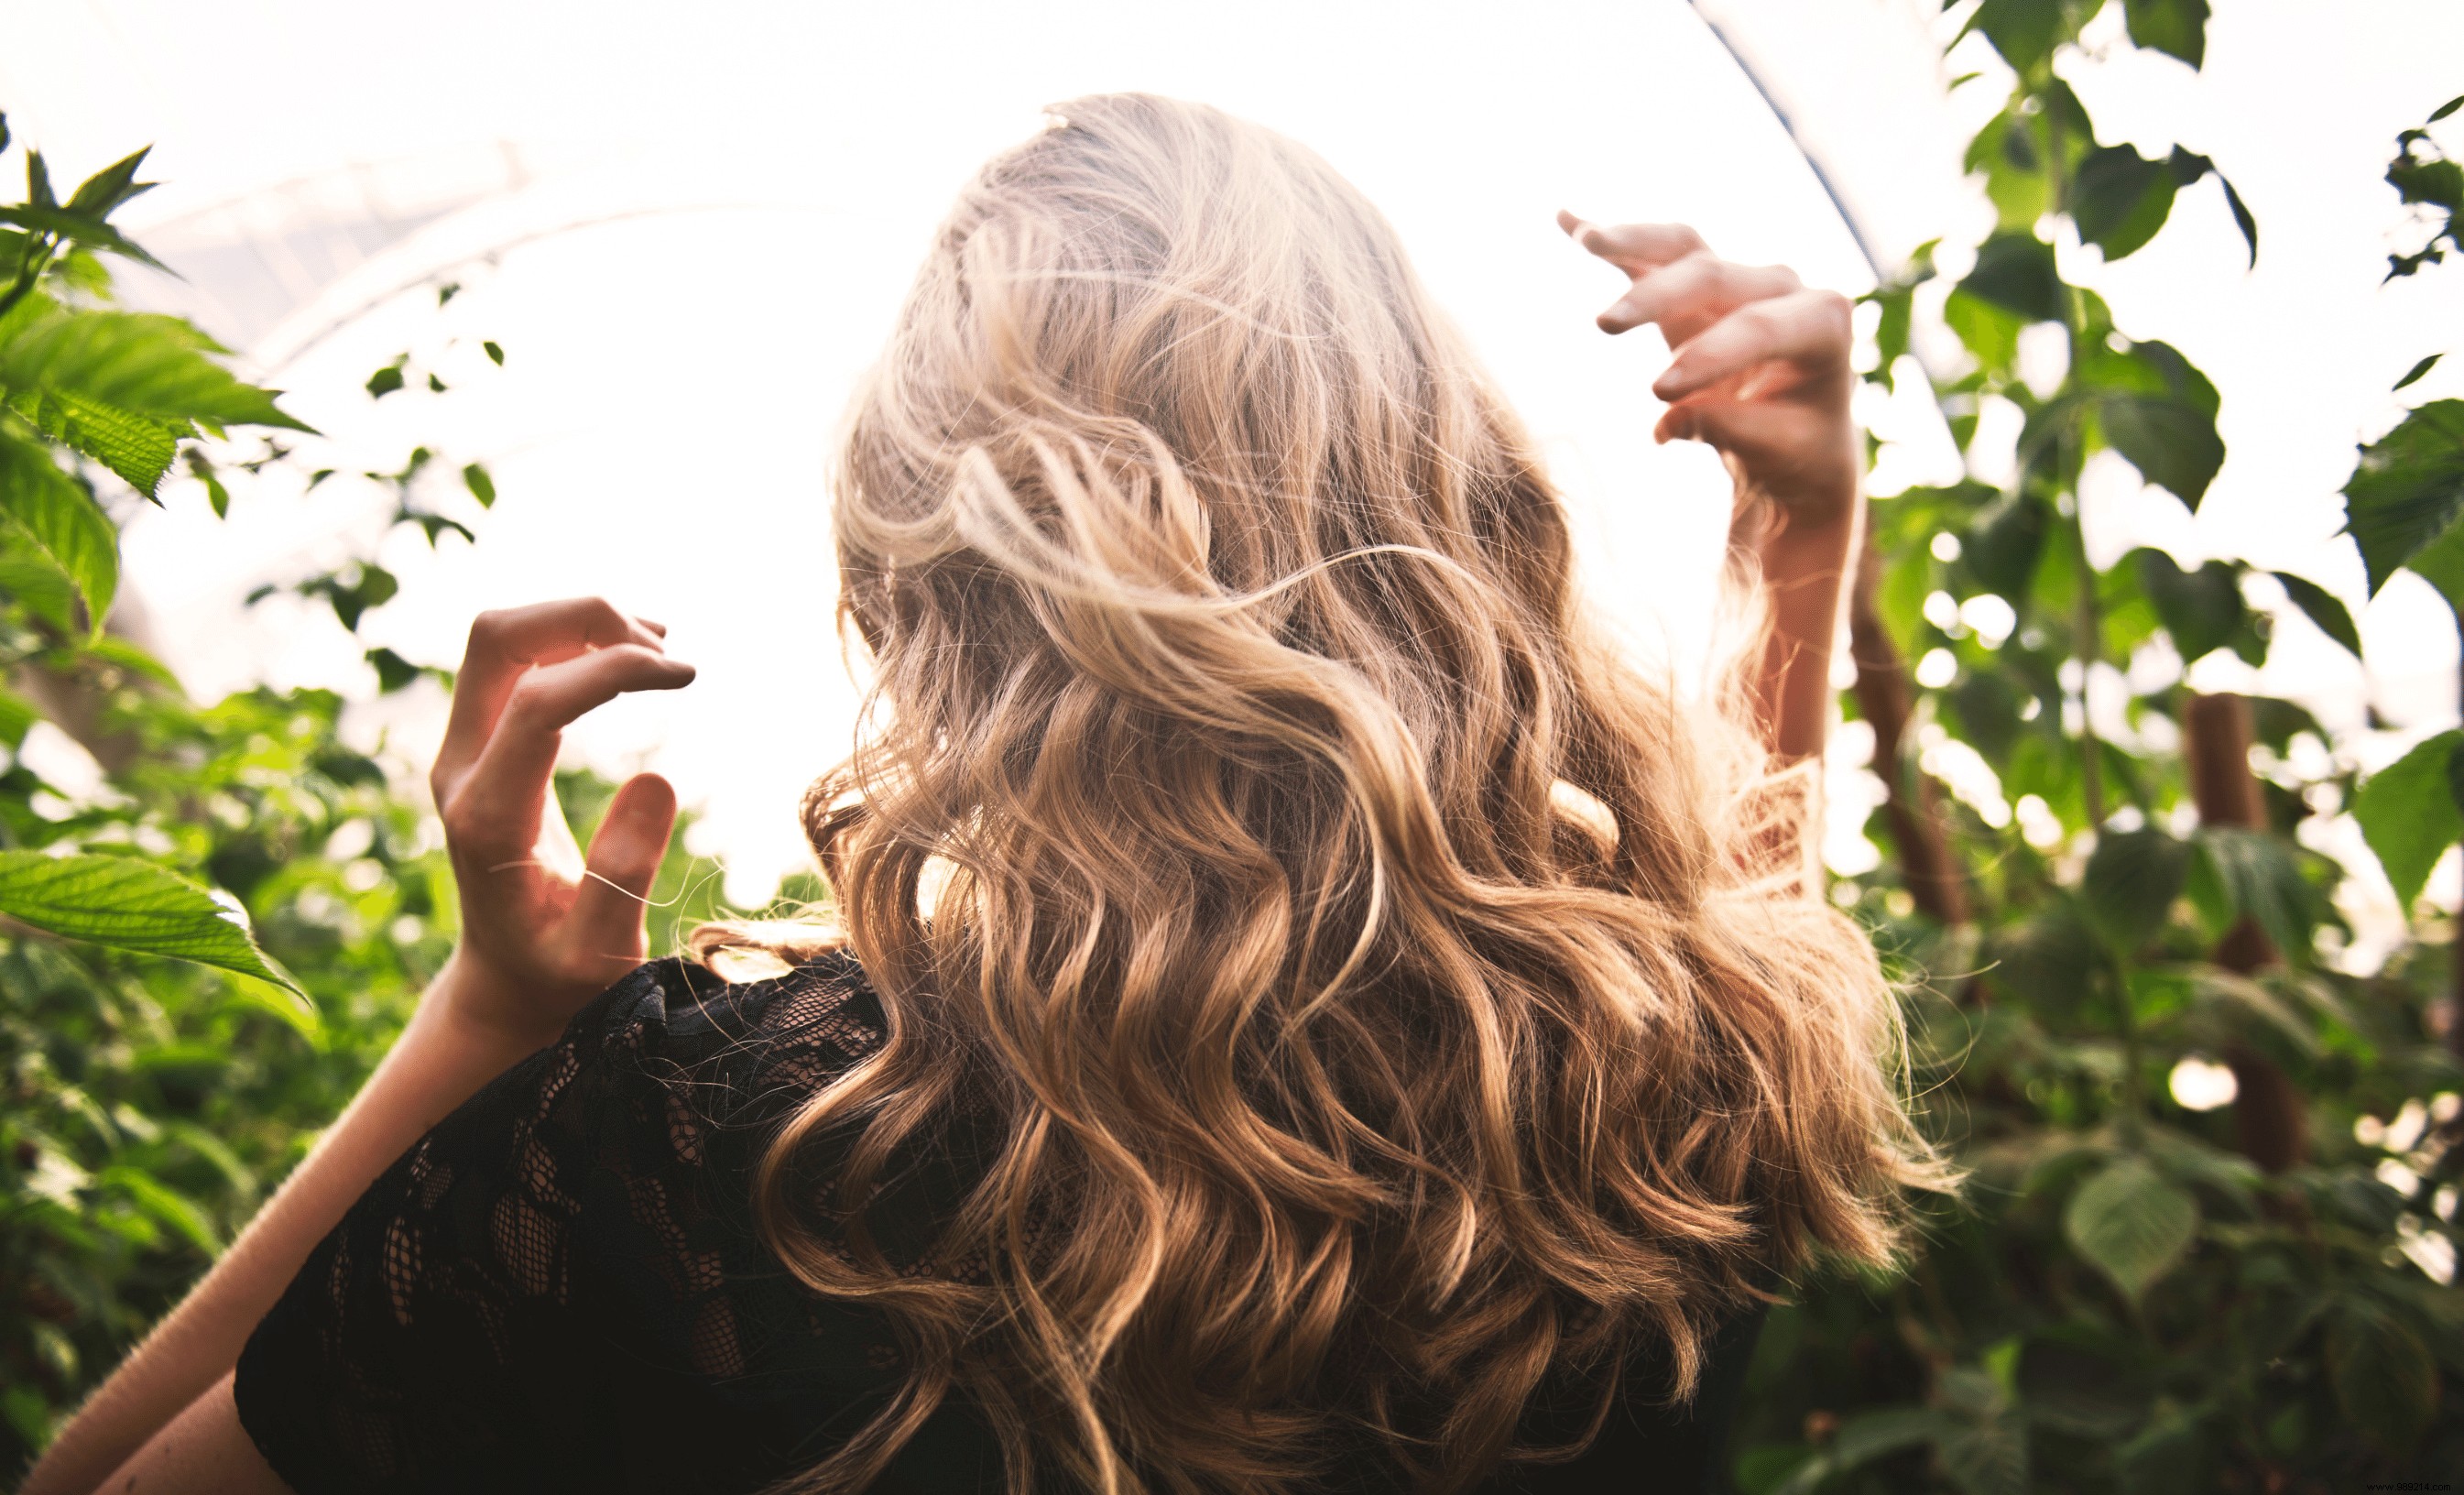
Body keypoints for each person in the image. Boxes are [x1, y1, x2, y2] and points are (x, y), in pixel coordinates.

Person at [24, 93, 1940, 1495]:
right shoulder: (1664, 1082)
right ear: (1447, 498)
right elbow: (1722, 920)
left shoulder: (725, 1155)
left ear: (925, 572)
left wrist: (488, 1029)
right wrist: (1792, 540)